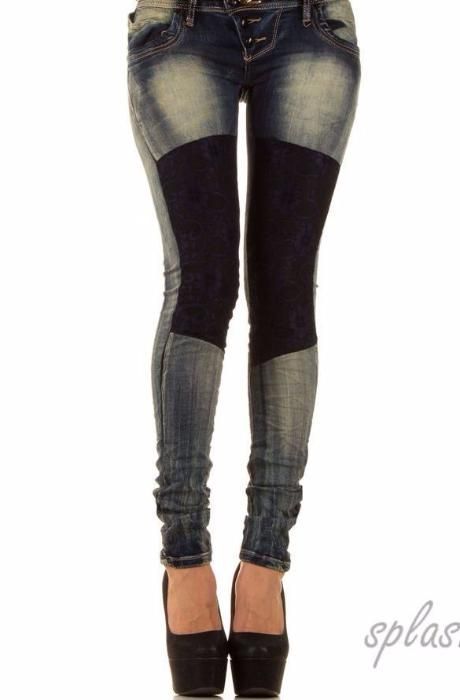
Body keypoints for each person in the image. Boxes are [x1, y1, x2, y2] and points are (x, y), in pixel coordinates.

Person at [127, 0, 361, 693]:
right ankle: (185, 557)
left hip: (311, 24)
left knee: (286, 290)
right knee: (203, 283)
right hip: (181, 24)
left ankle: (264, 561)